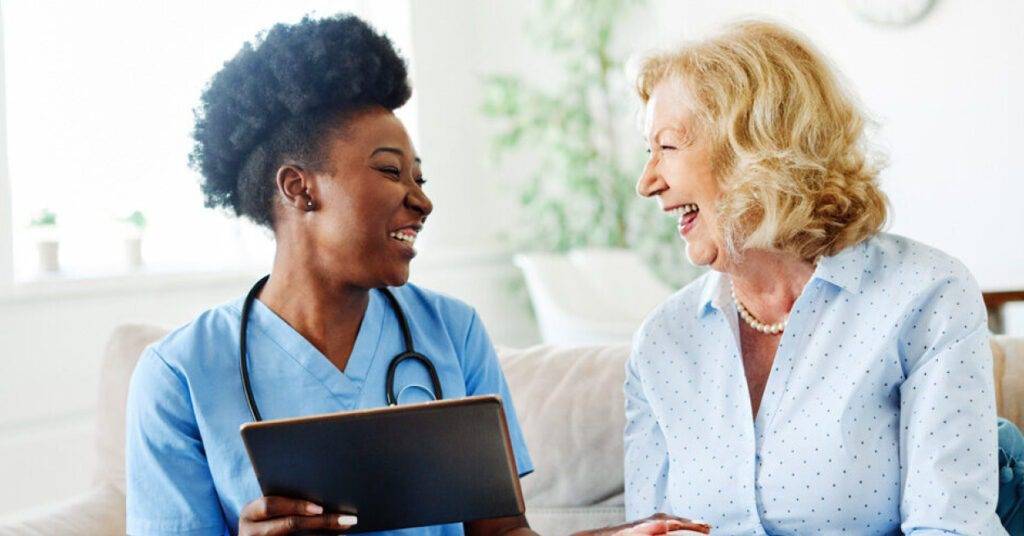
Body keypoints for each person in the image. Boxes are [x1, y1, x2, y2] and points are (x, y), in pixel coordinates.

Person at [589, 20, 1018, 535]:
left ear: (752, 146)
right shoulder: (662, 342)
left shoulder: (925, 296)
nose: (647, 182)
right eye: (647, 152)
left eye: (668, 147)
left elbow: (952, 529)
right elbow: (651, 523)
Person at [125, 14, 537, 536]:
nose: (422, 200)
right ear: (299, 188)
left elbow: (501, 531)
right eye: (390, 170)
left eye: (420, 176)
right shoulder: (178, 374)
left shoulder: (453, 332)